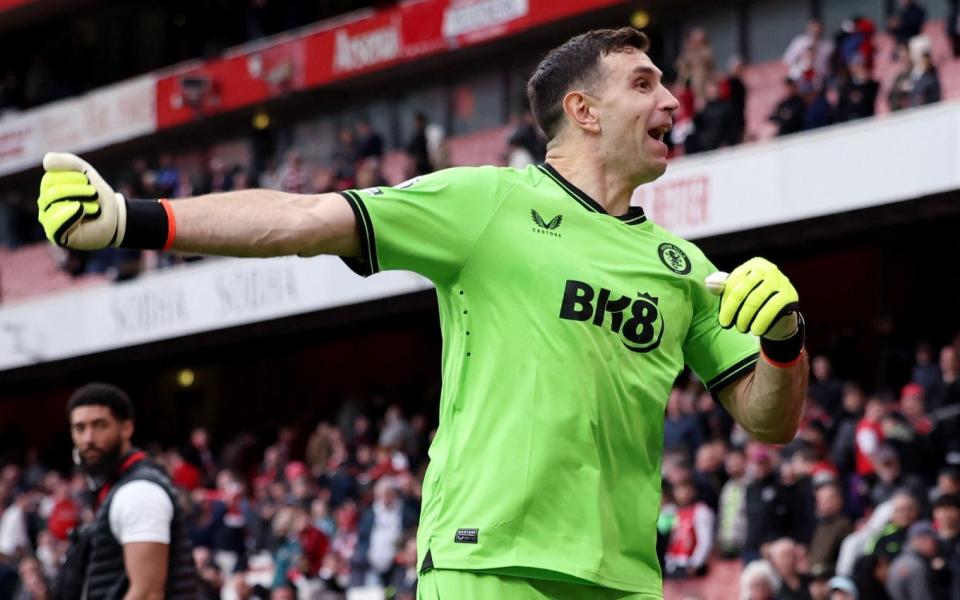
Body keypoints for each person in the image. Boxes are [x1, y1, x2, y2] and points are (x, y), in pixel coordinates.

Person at [36, 27, 808, 599]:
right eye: (643, 83)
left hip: (626, 578)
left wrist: (783, 343)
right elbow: (303, 220)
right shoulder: (487, 201)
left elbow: (769, 420)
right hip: (486, 562)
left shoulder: (685, 269)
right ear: (584, 110)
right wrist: (132, 220)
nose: (672, 98)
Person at [56, 383, 197, 599]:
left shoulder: (139, 492)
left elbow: (147, 593)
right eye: (79, 428)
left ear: (126, 428)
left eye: (100, 425)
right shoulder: (117, 486)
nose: (88, 439)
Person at [885, 521, 939, 600]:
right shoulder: (916, 565)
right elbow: (920, 597)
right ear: (922, 540)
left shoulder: (900, 559)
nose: (935, 546)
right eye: (933, 542)